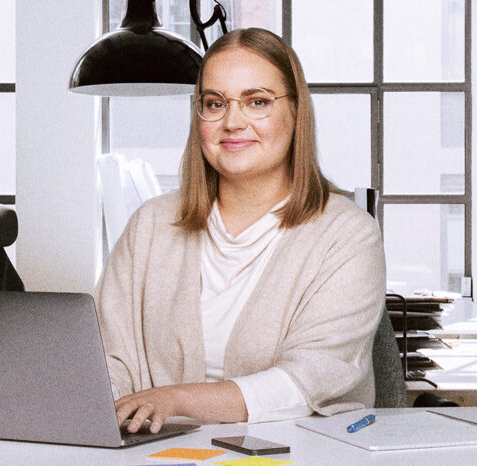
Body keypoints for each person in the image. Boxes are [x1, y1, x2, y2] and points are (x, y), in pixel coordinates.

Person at [93, 28, 386, 434]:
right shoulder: (150, 225)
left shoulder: (347, 235)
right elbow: (103, 360)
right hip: (155, 453)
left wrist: (175, 399)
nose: (232, 122)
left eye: (257, 102)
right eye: (215, 103)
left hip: (296, 453)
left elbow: (310, 379)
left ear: (296, 112)